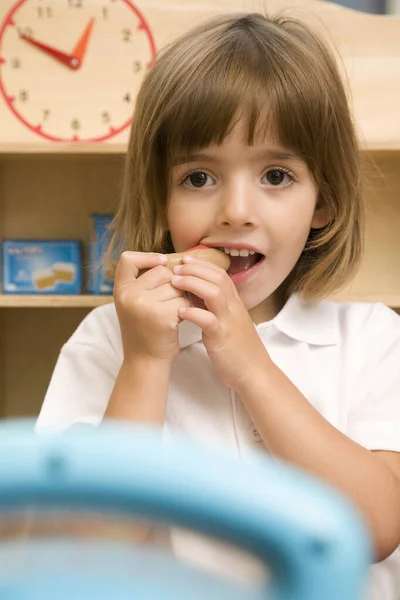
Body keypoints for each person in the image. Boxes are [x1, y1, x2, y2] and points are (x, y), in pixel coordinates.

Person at [36, 12, 400, 598]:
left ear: (324, 202)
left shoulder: (372, 338)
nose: (235, 210)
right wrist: (146, 363)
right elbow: (93, 540)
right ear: (161, 198)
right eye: (199, 177)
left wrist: (252, 369)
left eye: (276, 175)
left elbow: (378, 528)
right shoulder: (108, 338)